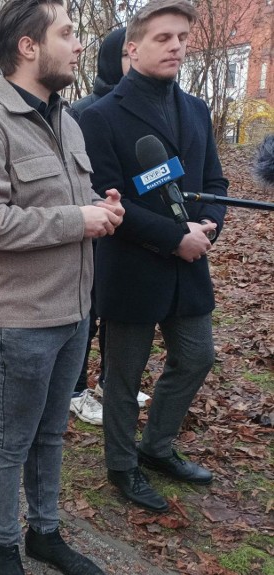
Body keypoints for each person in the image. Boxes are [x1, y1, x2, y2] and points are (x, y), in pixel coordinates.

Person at [0, 0, 122, 575]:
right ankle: (4, 548)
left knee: (53, 432)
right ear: (28, 46)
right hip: (17, 320)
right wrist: (77, 218)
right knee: (13, 439)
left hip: (73, 311)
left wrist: (102, 209)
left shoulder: (66, 122)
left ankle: (44, 533)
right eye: (67, 34)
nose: (79, 45)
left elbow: (62, 210)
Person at [79, 0, 228, 513]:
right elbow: (107, 197)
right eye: (164, 37)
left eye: (183, 38)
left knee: (196, 357)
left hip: (190, 268)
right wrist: (173, 237)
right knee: (123, 376)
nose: (177, 46)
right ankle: (122, 465)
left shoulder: (196, 110)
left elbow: (214, 181)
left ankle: (157, 447)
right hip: (132, 269)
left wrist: (209, 228)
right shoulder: (99, 117)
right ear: (133, 47)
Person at [68, 26, 150, 426]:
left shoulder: (141, 111)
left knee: (114, 311)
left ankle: (109, 380)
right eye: (125, 56)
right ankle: (76, 389)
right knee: (89, 311)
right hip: (91, 231)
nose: (133, 64)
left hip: (127, 232)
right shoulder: (83, 112)